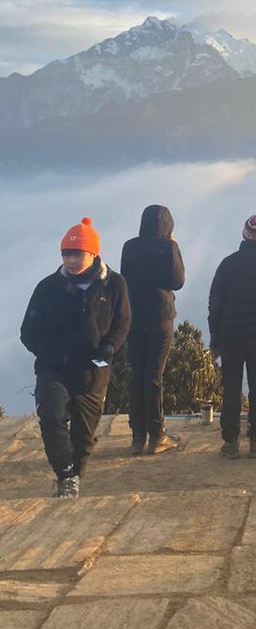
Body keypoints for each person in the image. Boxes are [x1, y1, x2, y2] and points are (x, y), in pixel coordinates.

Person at [20, 217, 131, 498]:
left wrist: (110, 348)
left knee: (84, 432)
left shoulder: (114, 285)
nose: (70, 260)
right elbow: (28, 331)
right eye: (66, 254)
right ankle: (65, 475)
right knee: (51, 417)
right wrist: (50, 353)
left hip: (94, 368)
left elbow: (123, 322)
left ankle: (76, 473)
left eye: (76, 254)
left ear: (93, 254)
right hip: (53, 367)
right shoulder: (48, 287)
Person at [208, 215, 256, 459]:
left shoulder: (227, 264)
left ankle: (230, 442)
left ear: (243, 235)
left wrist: (215, 337)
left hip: (230, 334)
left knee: (231, 387)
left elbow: (215, 303)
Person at [120, 205, 185, 456]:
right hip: (160, 316)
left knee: (137, 374)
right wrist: (172, 248)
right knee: (154, 376)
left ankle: (138, 436)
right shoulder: (169, 247)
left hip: (134, 316)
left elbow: (125, 276)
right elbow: (177, 282)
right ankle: (157, 436)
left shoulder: (129, 246)